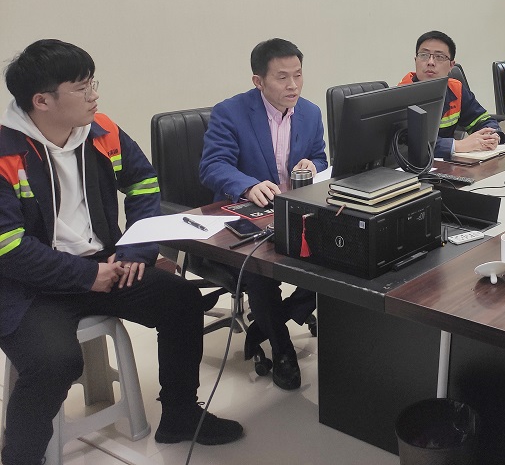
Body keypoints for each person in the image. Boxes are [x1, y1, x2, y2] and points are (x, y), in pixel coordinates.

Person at [0, 40, 244, 465]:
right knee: (55, 362)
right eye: (82, 88)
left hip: (105, 264)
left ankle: (181, 416)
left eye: (93, 83)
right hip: (29, 286)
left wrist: (136, 250)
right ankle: (21, 456)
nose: (94, 95)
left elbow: (144, 183)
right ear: (42, 101)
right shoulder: (5, 153)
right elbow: (9, 248)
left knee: (182, 301)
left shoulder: (101, 131)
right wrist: (84, 276)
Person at [200, 38, 327, 391]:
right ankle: (282, 349)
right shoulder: (230, 112)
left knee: (341, 258)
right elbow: (212, 166)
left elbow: (320, 157)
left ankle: (268, 323)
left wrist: (313, 166)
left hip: (295, 213)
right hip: (248, 218)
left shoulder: (311, 113)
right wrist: (246, 185)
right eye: (282, 77)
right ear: (259, 81)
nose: (293, 85)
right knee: (260, 274)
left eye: (298, 75)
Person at [398, 31, 505, 160]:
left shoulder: (455, 88)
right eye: (424, 55)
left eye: (439, 57)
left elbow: (482, 120)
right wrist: (458, 145)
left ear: (451, 66)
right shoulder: (401, 94)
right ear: (416, 60)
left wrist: (493, 135)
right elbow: (409, 145)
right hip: (413, 167)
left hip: (447, 164)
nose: (430, 62)